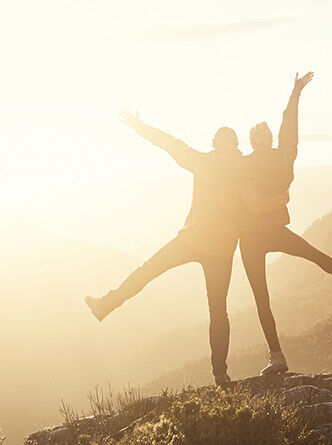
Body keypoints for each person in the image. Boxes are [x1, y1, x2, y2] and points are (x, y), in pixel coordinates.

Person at [85, 110, 244, 385]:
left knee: (147, 271)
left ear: (215, 144)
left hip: (193, 239)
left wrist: (140, 127)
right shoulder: (245, 168)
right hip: (222, 249)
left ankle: (104, 306)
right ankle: (220, 374)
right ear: (236, 145)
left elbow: (171, 144)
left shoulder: (204, 162)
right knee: (218, 310)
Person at [237, 72, 332, 376]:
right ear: (270, 139)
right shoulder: (285, 156)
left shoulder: (243, 165)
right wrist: (295, 93)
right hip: (275, 231)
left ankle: (277, 356)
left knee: (261, 298)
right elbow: (290, 125)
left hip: (250, 238)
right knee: (313, 254)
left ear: (252, 142)